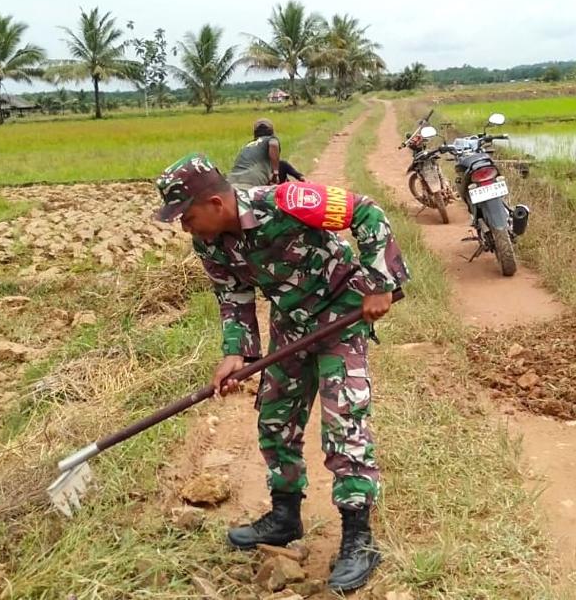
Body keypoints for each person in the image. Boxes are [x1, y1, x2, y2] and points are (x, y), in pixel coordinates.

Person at [153, 152, 409, 592]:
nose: (185, 227)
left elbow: (366, 212)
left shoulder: (289, 201)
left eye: (187, 216)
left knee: (344, 421)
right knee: (275, 419)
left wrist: (378, 283)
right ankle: (285, 516)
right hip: (291, 324)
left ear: (215, 203)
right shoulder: (209, 244)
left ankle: (358, 537)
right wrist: (236, 353)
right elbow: (233, 296)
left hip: (340, 314)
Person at [229, 118, 283, 189]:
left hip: (232, 179)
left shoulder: (248, 144)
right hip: (251, 179)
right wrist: (275, 173)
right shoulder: (270, 139)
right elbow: (273, 144)